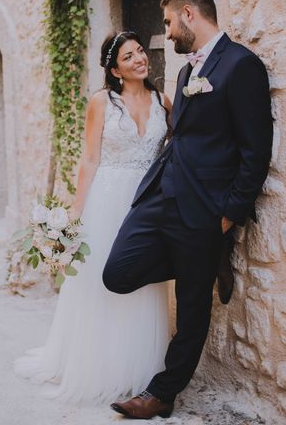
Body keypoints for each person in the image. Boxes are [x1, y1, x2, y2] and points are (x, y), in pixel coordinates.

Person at [104, 0, 273, 419]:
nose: (167, 30)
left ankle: (162, 394)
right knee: (117, 272)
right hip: (162, 197)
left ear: (189, 15)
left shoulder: (241, 66)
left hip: (205, 212)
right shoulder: (183, 74)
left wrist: (228, 217)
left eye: (168, 21)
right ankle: (197, 260)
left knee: (193, 308)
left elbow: (255, 153)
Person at [14, 32, 174, 403]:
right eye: (129, 56)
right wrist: (75, 211)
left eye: (140, 52)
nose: (139, 59)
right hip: (107, 200)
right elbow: (90, 159)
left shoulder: (162, 101)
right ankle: (100, 365)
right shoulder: (102, 102)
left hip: (147, 202)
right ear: (115, 69)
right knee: (102, 282)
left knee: (143, 283)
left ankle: (139, 368)